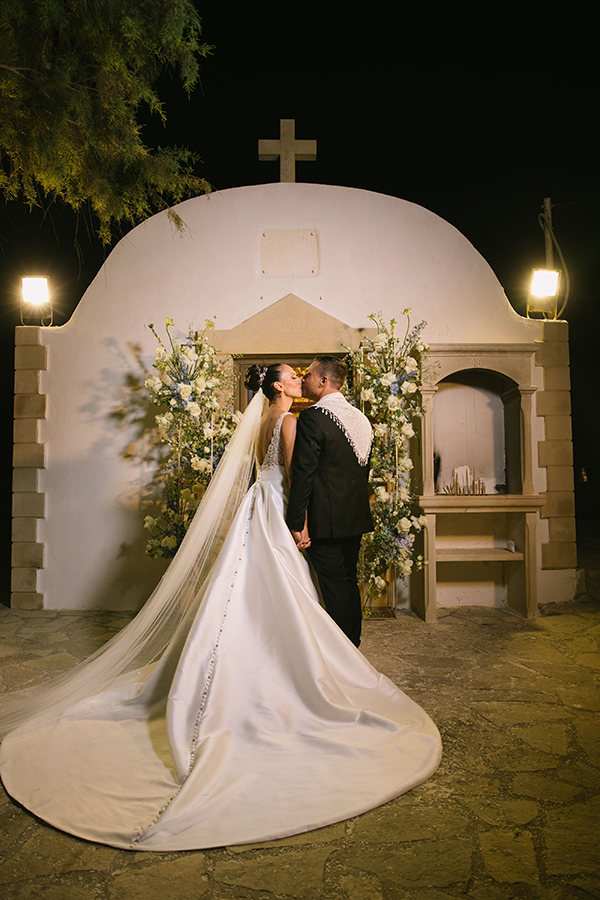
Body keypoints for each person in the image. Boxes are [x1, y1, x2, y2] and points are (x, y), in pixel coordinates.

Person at [0, 363, 441, 852]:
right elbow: (297, 475)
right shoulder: (292, 421)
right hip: (283, 509)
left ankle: (246, 660)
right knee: (291, 594)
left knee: (245, 586)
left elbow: (268, 470)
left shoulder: (258, 421)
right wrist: (304, 521)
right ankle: (304, 670)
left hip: (259, 503)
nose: (299, 379)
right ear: (277, 386)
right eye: (293, 376)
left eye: (303, 375)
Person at [286, 356, 373, 646]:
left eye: (308, 374)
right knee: (348, 583)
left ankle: (344, 654)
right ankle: (354, 645)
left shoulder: (313, 417)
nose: (304, 379)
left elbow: (304, 473)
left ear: (324, 381)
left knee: (334, 589)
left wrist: (296, 521)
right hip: (356, 517)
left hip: (326, 520)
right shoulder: (360, 418)